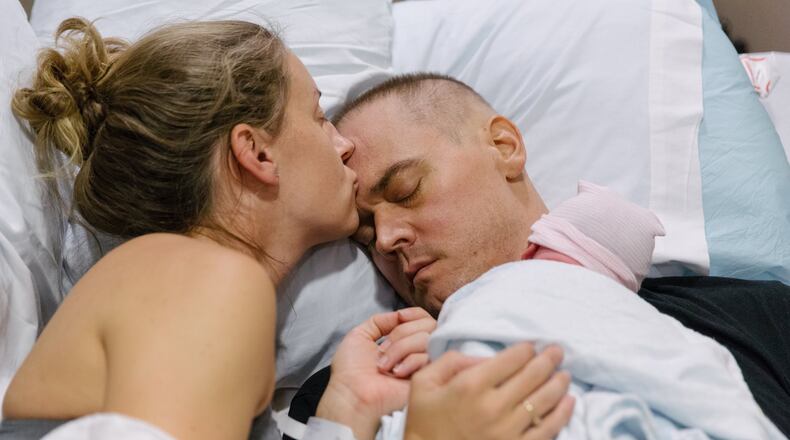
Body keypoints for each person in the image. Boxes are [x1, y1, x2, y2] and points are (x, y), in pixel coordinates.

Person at [1, 19, 572, 440]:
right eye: (319, 117)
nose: (343, 146)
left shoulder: (187, 287)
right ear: (256, 153)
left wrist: (345, 414)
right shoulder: (199, 280)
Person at [325, 72, 790, 436]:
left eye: (406, 190)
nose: (385, 239)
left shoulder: (756, 314)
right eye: (366, 234)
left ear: (504, 147)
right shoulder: (362, 386)